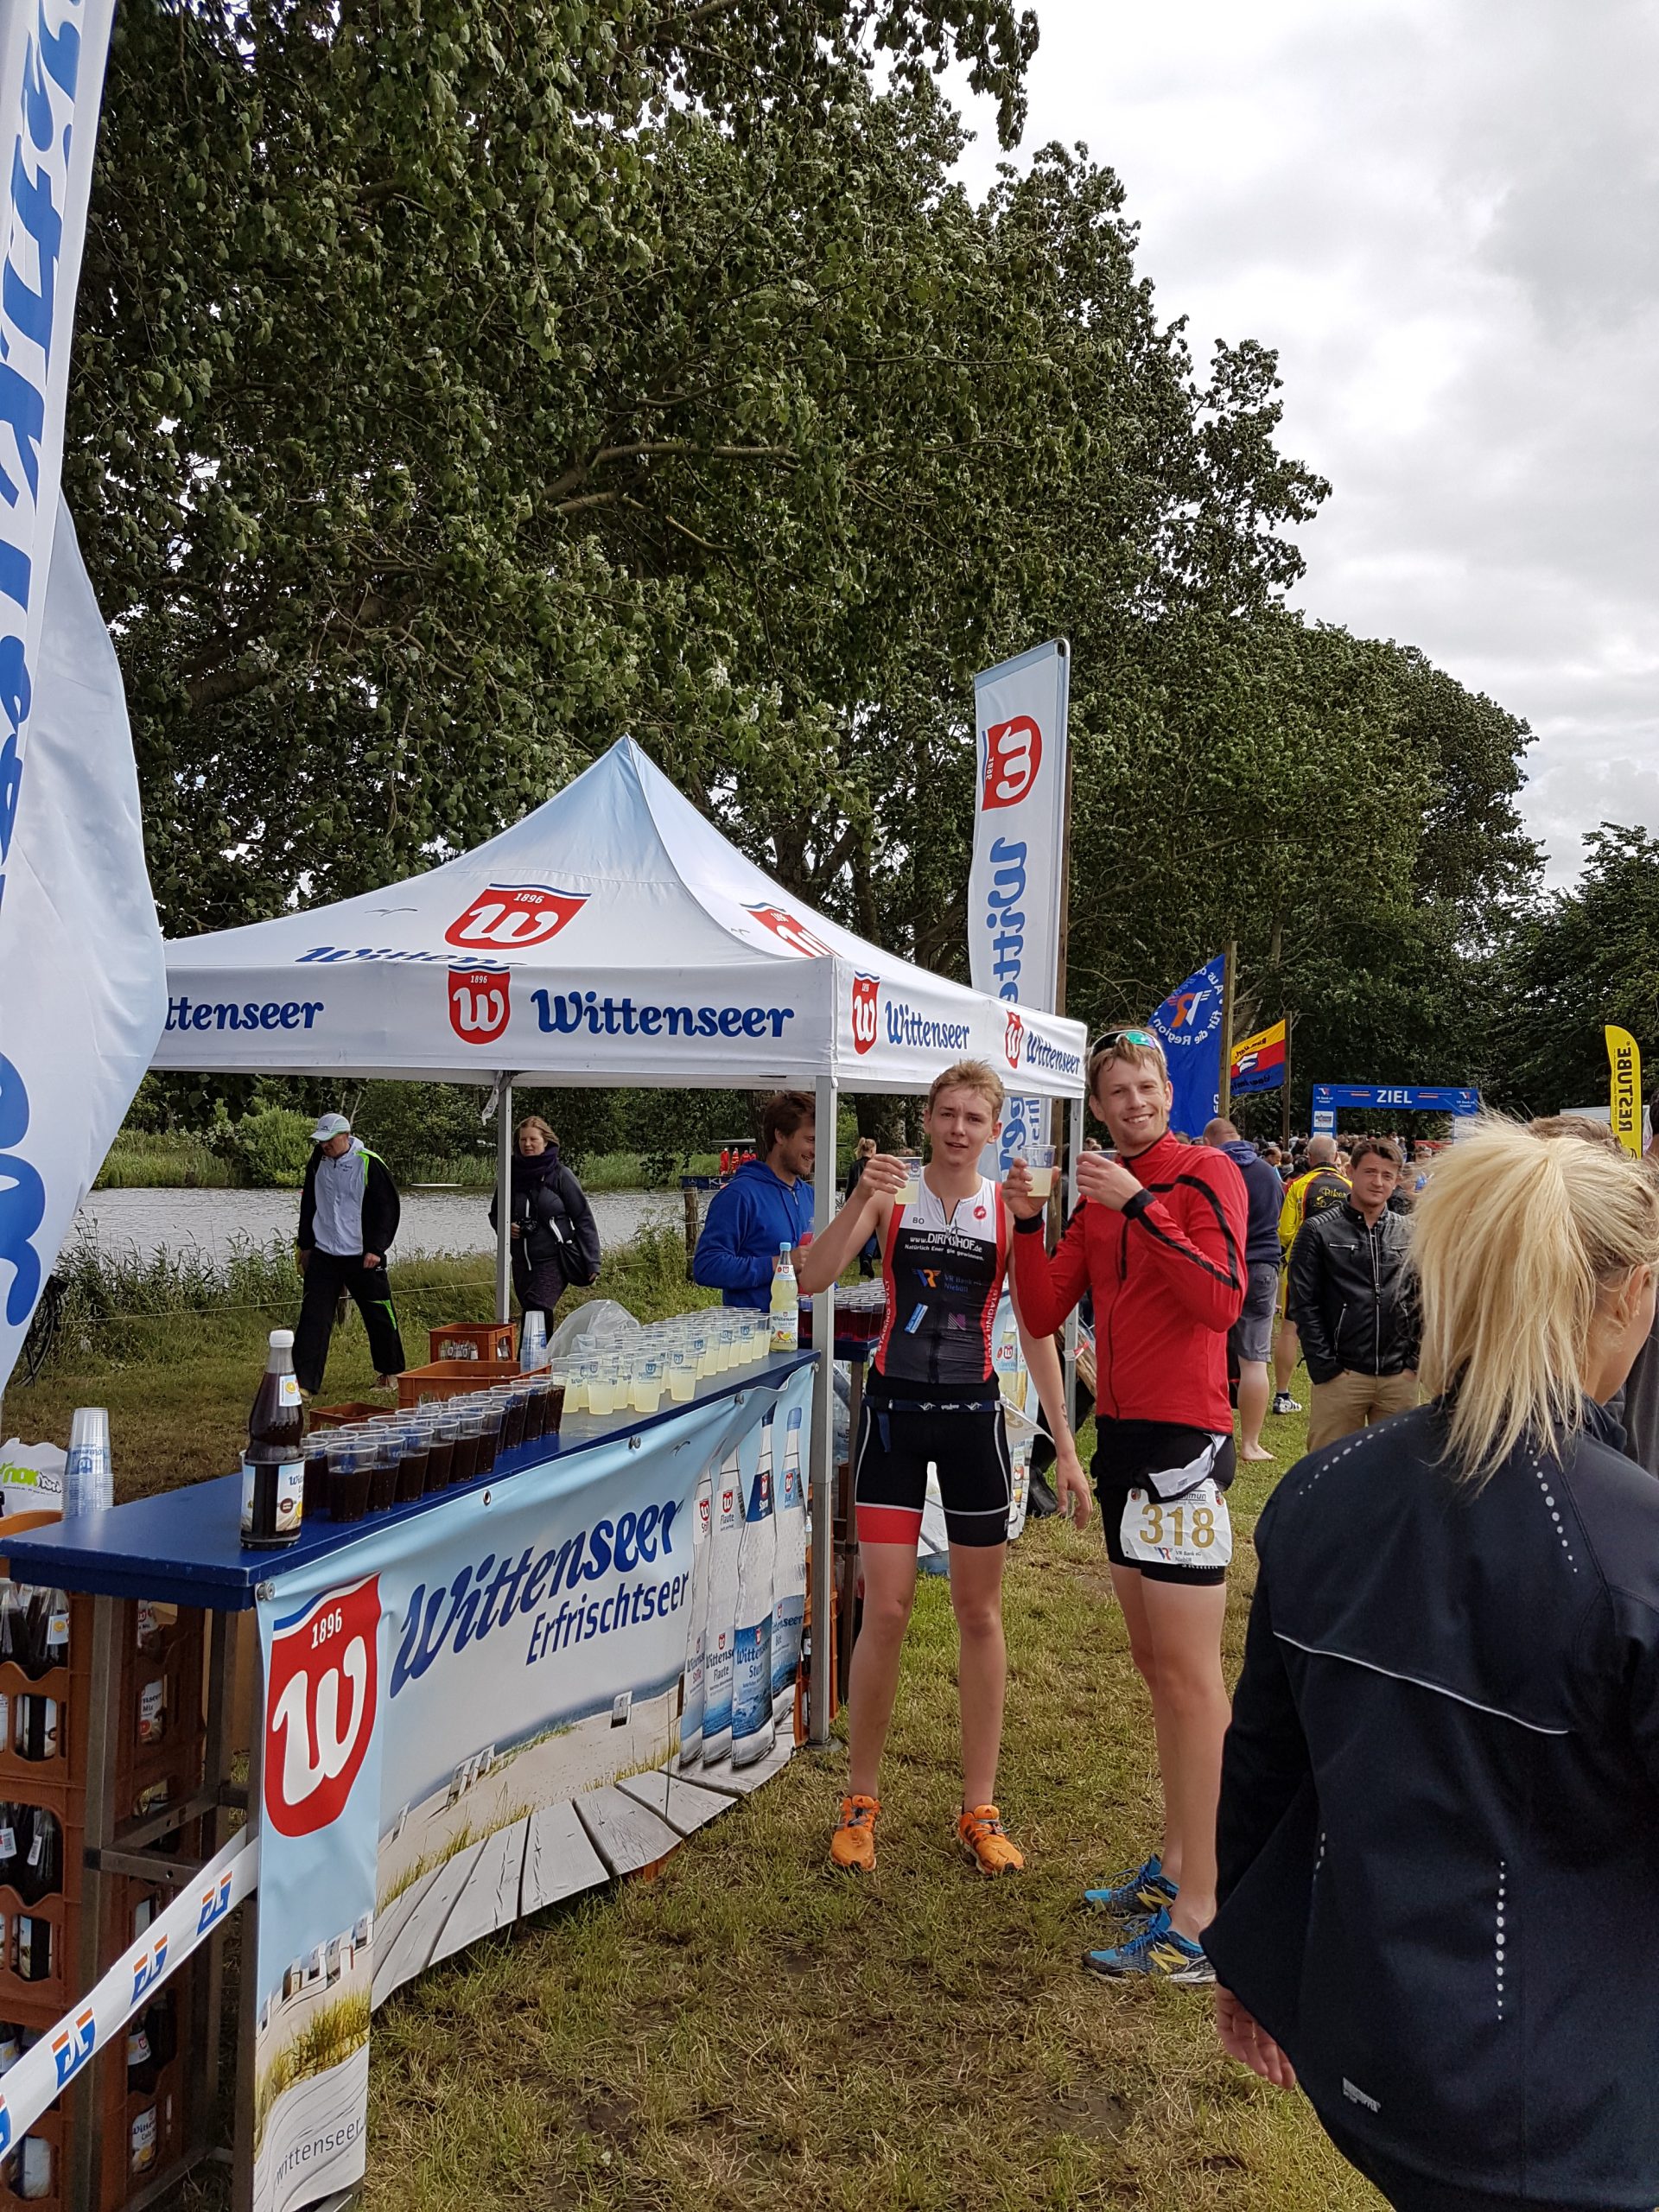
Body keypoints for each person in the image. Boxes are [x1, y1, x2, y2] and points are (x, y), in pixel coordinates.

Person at [1207, 1116, 1659, 2212]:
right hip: (1575, 2112)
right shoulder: (1632, 1550)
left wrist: (1247, 1964)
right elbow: (1267, 1761)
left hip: (1375, 2060)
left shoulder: (1321, 1493)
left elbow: (1261, 1766)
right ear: (1631, 1292)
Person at [796, 1061, 1090, 1879]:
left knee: (979, 1613)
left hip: (972, 1423)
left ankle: (980, 1807)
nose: (959, 1129)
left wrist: (1066, 1447)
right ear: (927, 1119)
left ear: (994, 1130)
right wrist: (857, 1196)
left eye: (974, 1118)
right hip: (892, 1418)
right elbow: (813, 1279)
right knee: (887, 1609)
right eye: (947, 1114)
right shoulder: (890, 1195)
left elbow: (1037, 1328)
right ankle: (860, 1801)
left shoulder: (1007, 1208)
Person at [1007, 1028, 1246, 1980]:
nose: (1135, 1101)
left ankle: (1206, 1913)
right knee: (1156, 1668)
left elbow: (1221, 1302)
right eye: (1116, 1091)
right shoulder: (1099, 1189)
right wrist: (1029, 1224)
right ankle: (1179, 1864)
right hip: (1124, 1441)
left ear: (1167, 1092)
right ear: (1097, 1106)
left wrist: (1142, 1206)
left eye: (1146, 1085)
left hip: (1187, 1441)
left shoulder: (1204, 1174)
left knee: (1191, 1677)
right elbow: (1041, 1311)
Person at [1287, 1134, 1418, 1452]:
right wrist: (1325, 1366)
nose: (1378, 1182)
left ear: (1396, 1181)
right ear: (1350, 1172)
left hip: (1398, 1378)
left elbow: (1423, 1300)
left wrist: (1415, 1361)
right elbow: (1303, 1302)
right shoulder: (1318, 1230)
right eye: (1370, 1172)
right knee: (1330, 1466)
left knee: (1396, 1468)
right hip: (1341, 1375)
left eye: (1387, 1175)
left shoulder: (1409, 1232)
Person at [294, 1111, 406, 1395]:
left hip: (362, 1255)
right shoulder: (317, 1161)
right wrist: (305, 1245)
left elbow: (388, 1208)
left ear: (346, 1135)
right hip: (324, 1253)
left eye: (330, 1140)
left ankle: (391, 1373)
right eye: (321, 1141)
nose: (325, 1145)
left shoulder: (369, 1162)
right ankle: (304, 1384)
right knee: (313, 1316)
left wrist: (376, 1249)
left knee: (379, 1313)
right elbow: (309, 1203)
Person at [1203, 1118, 1284, 1463]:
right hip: (1262, 1266)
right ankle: (1251, 1443)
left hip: (1219, 1264)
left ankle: (1212, 1434)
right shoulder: (1268, 1172)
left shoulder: (1209, 1168)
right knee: (1254, 1361)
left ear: (1209, 1141)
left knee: (1208, 1353)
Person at [692, 1093, 816, 1309]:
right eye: (810, 1140)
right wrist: (780, 1264)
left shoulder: (811, 1196)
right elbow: (707, 1266)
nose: (815, 1151)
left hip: (807, 1326)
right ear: (780, 1136)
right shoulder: (739, 1196)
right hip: (757, 1328)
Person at [489, 1116, 600, 1332]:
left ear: (546, 1141)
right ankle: (545, 1352)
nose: (527, 1144)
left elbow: (583, 1218)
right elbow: (495, 1214)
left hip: (554, 1259)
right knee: (533, 1310)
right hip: (521, 1262)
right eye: (523, 1140)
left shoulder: (561, 1175)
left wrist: (593, 1261)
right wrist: (505, 1227)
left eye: (533, 1139)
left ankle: (530, 1353)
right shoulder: (510, 1175)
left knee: (537, 1309)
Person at [1271, 1134, 1350, 1414]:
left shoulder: (1298, 1186)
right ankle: (1337, 1396)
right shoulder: (1350, 1187)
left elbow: (1285, 1232)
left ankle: (1282, 1395)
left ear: (1310, 1158)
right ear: (1336, 1157)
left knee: (1290, 1329)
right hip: (1341, 1268)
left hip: (1301, 1267)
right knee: (1339, 1330)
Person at [844, 1134, 880, 1278]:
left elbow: (849, 1186)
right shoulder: (874, 1166)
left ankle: (863, 1263)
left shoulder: (854, 1166)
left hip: (857, 1202)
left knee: (860, 1231)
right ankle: (868, 1257)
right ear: (872, 1150)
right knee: (873, 1233)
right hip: (872, 1202)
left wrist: (848, 1203)